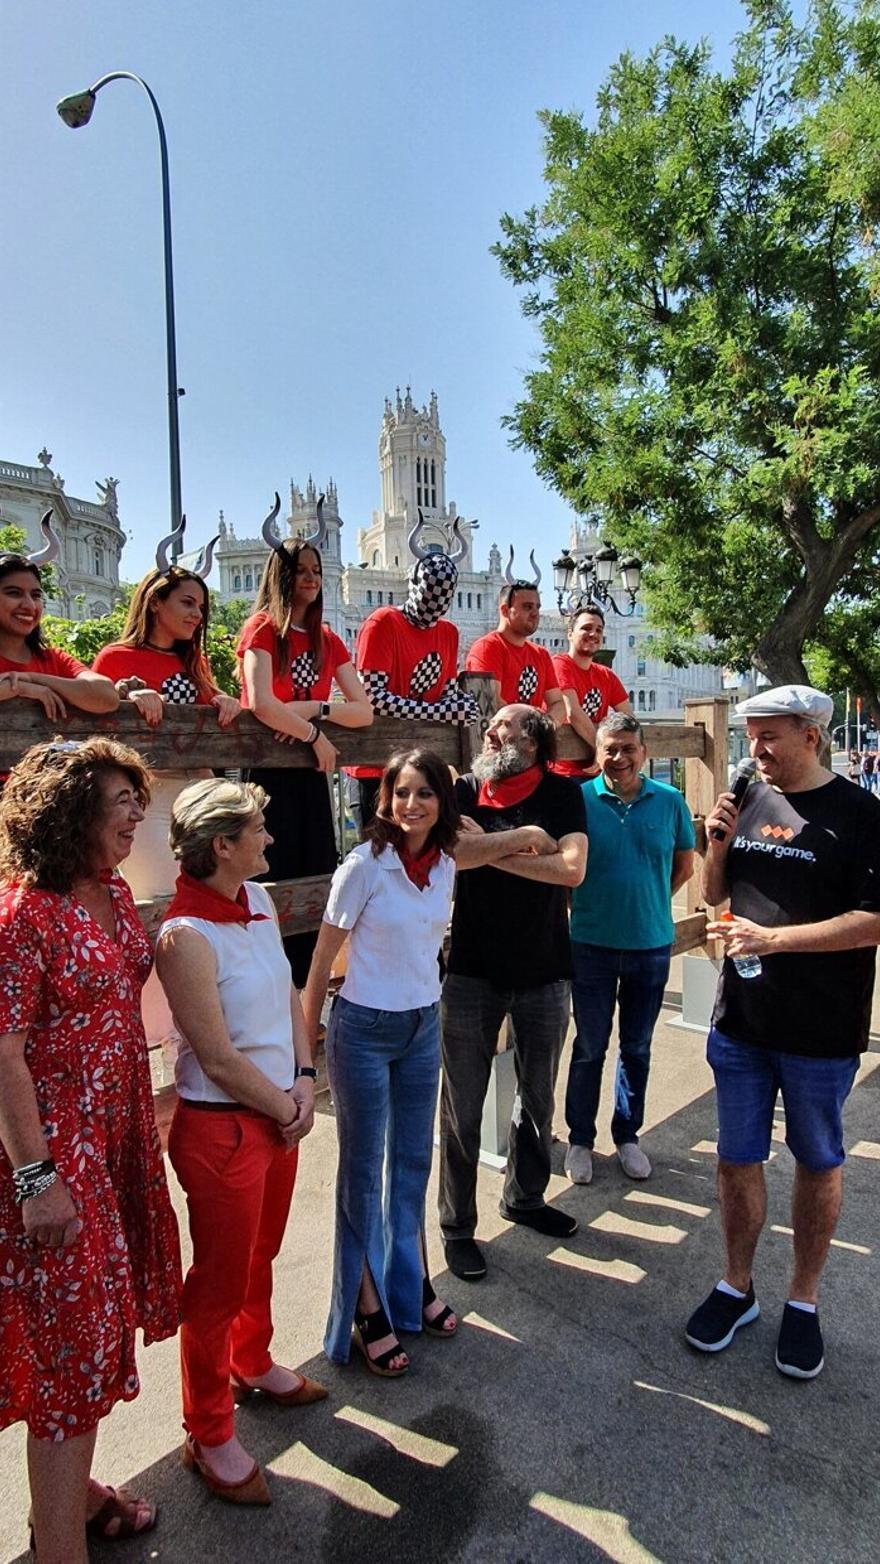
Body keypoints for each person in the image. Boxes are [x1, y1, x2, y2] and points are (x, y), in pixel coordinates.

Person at [0, 738, 182, 1564]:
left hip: (114, 1137)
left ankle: (69, 1505)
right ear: (69, 812)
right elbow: (1, 1054)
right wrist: (37, 1179)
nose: (137, 816)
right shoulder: (22, 914)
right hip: (54, 1153)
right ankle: (57, 1550)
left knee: (97, 1334)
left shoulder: (110, 887)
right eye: (121, 802)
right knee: (70, 1355)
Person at [685, 684, 880, 1380]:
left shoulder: (861, 815)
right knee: (737, 1158)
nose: (756, 750)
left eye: (770, 736)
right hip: (741, 1021)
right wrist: (715, 844)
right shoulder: (749, 800)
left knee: (817, 1160)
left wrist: (777, 941)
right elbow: (714, 897)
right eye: (751, 735)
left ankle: (803, 1300)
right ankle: (737, 1285)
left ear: (812, 736)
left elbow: (874, 920)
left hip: (821, 1029)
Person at [156, 778, 324, 1509]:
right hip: (223, 1126)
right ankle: (208, 1428)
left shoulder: (255, 900)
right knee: (218, 1284)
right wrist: (285, 1101)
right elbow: (216, 1056)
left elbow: (288, 990)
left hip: (273, 1111)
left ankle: (251, 1360)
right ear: (222, 845)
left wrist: (306, 1074)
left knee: (263, 1253)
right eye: (258, 828)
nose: (271, 838)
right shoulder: (183, 936)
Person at [301, 751, 462, 1377]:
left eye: (425, 793)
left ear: (443, 803)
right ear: (384, 800)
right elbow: (318, 968)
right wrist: (305, 1053)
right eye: (401, 793)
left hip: (423, 1024)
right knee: (363, 1173)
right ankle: (365, 1307)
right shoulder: (363, 868)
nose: (412, 805)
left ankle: (410, 1284)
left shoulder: (446, 864)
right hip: (363, 1030)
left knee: (415, 1162)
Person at [439, 705, 588, 1282]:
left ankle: (524, 1198)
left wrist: (491, 850)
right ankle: (457, 1226)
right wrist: (527, 841)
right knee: (461, 1106)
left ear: (532, 739)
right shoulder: (464, 789)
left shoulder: (562, 793)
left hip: (546, 969)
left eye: (503, 724)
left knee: (537, 1097)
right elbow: (452, 855)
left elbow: (572, 869)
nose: (490, 731)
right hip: (471, 971)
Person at [237, 495, 372, 985]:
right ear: (282, 575)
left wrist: (314, 709)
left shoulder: (327, 638)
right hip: (271, 773)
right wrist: (314, 734)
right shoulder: (261, 629)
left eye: (316, 569)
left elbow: (363, 710)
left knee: (318, 871)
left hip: (312, 777)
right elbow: (260, 702)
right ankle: (269, 989)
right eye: (301, 570)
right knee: (268, 869)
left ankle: (304, 995)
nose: (311, 578)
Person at [563, 714, 695, 1185]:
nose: (619, 758)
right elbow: (564, 871)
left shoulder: (671, 801)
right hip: (591, 944)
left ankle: (627, 1134)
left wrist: (651, 901)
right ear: (597, 753)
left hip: (650, 943)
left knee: (637, 1046)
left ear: (644, 751)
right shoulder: (577, 800)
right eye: (610, 749)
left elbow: (683, 866)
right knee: (589, 1046)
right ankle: (580, 1138)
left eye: (628, 748)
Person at [91, 519, 240, 902]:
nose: (197, 615)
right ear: (156, 601)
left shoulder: (193, 663)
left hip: (199, 793)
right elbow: (94, 720)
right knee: (160, 899)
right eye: (187, 603)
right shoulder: (115, 657)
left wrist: (226, 700)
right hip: (146, 796)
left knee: (209, 898)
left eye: (201, 607)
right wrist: (126, 694)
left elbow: (214, 702)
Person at [350, 514, 478, 834]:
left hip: (420, 768)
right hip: (375, 768)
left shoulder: (448, 632)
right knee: (379, 860)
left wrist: (462, 704)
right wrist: (441, 710)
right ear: (415, 584)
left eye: (445, 593)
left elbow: (446, 688)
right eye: (431, 590)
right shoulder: (383, 623)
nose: (436, 600)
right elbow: (373, 697)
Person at [0, 514, 118, 721]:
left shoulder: (53, 659)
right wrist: (21, 689)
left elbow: (107, 695)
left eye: (36, 595)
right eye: (13, 593)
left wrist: (31, 679)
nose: (29, 605)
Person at [465, 558, 566, 722]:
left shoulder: (541, 654)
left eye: (537, 607)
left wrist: (546, 728)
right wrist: (532, 728)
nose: (535, 613)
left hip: (533, 742)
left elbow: (558, 704)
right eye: (527, 607)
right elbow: (493, 703)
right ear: (505, 610)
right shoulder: (486, 648)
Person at [551, 604, 633, 778]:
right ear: (570, 634)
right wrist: (602, 748)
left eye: (599, 630)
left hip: (600, 770)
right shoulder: (559, 664)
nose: (593, 634)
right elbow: (573, 712)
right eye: (586, 628)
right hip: (564, 771)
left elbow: (628, 718)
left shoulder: (606, 675)